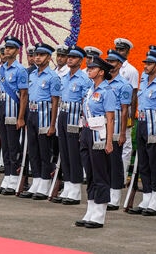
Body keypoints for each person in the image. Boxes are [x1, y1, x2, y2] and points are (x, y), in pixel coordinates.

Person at [126, 51, 156, 216]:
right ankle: (146, 199)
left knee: (154, 164)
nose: (145, 66)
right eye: (145, 63)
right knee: (143, 163)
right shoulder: (144, 82)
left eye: (149, 64)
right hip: (142, 125)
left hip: (154, 127)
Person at [75, 56, 116, 228]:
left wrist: (109, 141)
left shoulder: (107, 91)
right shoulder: (91, 90)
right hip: (86, 132)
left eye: (92, 68)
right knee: (90, 173)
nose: (89, 70)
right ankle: (90, 210)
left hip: (99, 134)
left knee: (100, 173)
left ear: (101, 72)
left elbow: (111, 117)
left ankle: (99, 214)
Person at [19, 43, 61, 200]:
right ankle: (36, 180)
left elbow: (55, 101)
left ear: (49, 58)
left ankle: (44, 182)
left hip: (45, 114)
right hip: (32, 113)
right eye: (36, 54)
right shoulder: (33, 75)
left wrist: (52, 124)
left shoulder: (53, 77)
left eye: (42, 55)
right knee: (33, 149)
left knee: (45, 151)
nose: (37, 57)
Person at [53, 46, 91, 205]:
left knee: (74, 153)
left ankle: (75, 190)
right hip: (63, 114)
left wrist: (83, 124)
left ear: (81, 60)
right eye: (69, 57)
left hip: (75, 117)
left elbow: (86, 103)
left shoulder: (84, 79)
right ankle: (67, 186)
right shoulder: (65, 77)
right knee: (65, 152)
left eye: (74, 57)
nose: (69, 59)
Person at [0, 36, 28, 195]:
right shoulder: (2, 68)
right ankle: (7, 177)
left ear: (17, 51)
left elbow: (24, 95)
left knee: (13, 146)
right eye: (6, 47)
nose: (7, 50)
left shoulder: (20, 70)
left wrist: (20, 117)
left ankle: (14, 179)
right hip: (3, 107)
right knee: (4, 144)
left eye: (11, 48)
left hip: (14, 109)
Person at [103, 49, 133, 210]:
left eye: (113, 62)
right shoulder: (103, 82)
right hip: (103, 128)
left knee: (115, 163)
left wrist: (122, 134)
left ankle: (115, 197)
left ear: (120, 64)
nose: (109, 64)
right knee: (104, 164)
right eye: (108, 61)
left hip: (115, 128)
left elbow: (124, 111)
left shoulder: (124, 85)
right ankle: (106, 193)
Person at [113, 38, 138, 179]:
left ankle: (121, 176)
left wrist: (131, 116)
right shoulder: (111, 67)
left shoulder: (131, 70)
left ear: (128, 52)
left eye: (122, 50)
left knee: (125, 145)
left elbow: (134, 95)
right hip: (112, 113)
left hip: (125, 112)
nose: (119, 52)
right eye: (117, 49)